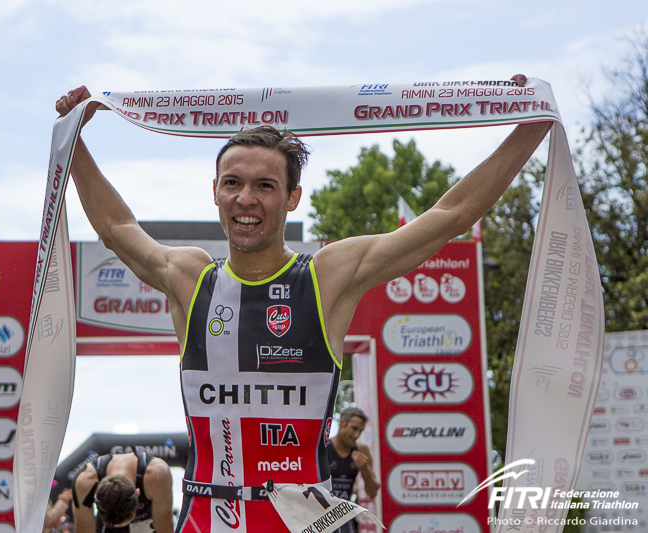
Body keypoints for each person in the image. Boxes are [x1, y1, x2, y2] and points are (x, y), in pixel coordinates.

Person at [55, 75, 551, 533]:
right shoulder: (189, 276)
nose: (245, 199)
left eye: (265, 186)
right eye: (233, 183)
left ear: (293, 197)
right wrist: (73, 142)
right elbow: (117, 229)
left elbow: (450, 215)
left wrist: (530, 126)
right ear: (215, 192)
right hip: (209, 517)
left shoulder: (325, 276)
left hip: (302, 521)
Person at [71, 451, 174, 533]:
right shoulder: (85, 482)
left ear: (137, 493)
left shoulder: (156, 475)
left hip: (147, 521)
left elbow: (165, 529)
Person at [327, 408, 380, 533]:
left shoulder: (361, 449)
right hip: (321, 516)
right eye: (354, 428)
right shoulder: (324, 449)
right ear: (342, 422)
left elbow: (373, 492)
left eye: (360, 431)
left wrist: (365, 469)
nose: (356, 436)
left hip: (344, 515)